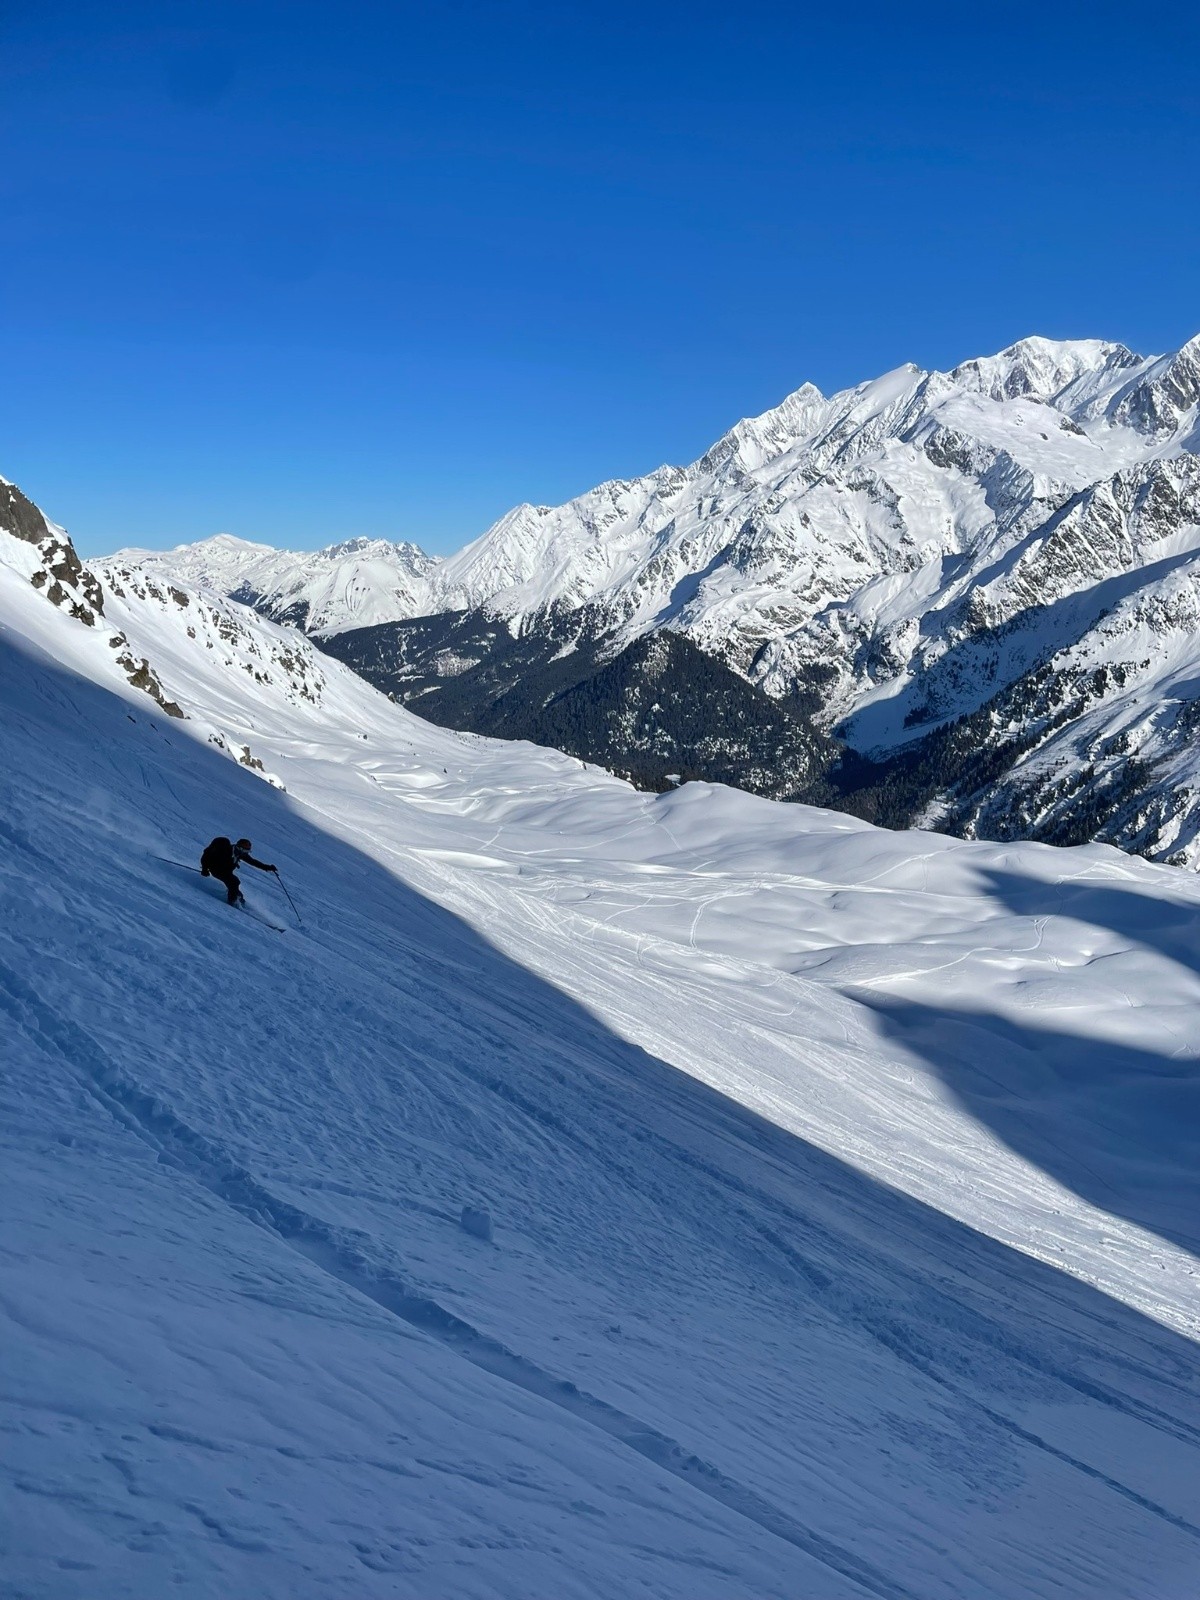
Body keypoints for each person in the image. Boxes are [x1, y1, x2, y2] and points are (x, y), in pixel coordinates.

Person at [200, 836, 277, 906]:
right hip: (216, 870)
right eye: (245, 851)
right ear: (240, 848)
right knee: (234, 882)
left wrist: (268, 867)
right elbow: (206, 857)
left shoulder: (240, 853)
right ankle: (232, 902)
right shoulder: (225, 850)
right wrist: (204, 869)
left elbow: (253, 862)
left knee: (235, 886)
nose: (246, 853)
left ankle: (239, 900)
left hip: (226, 872)